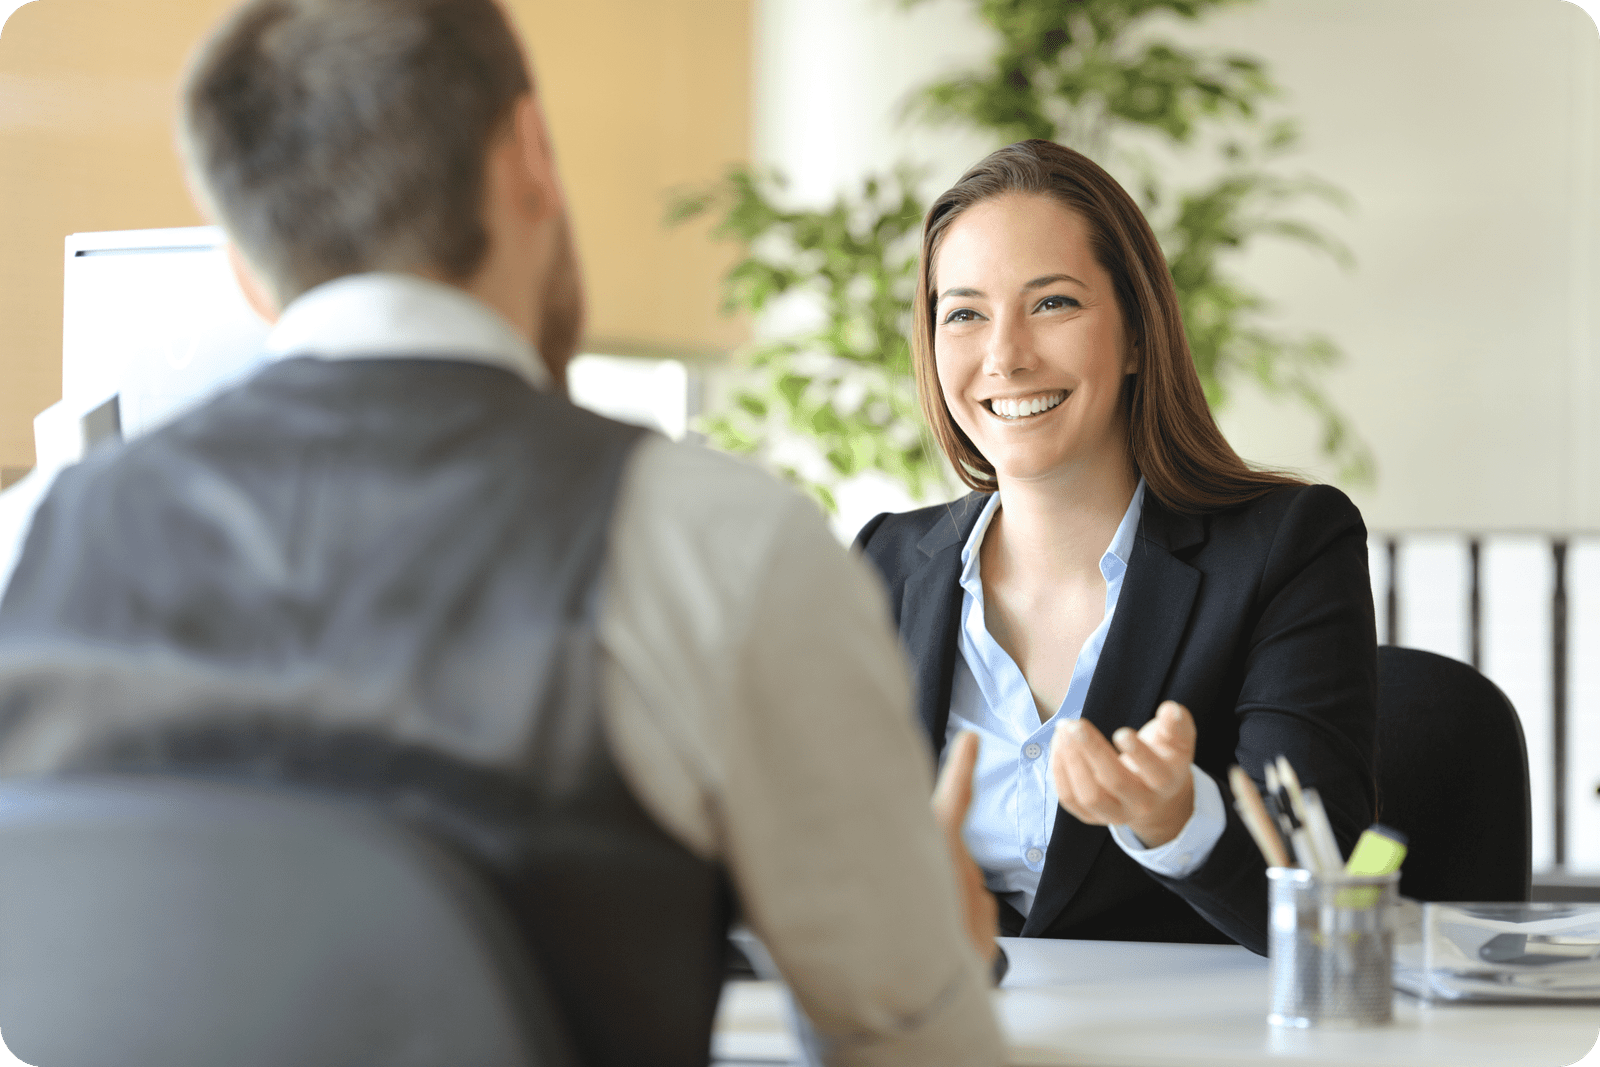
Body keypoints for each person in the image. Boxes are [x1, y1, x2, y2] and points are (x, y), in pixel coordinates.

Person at [0, 1, 1005, 1063]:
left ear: (247, 266)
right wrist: (933, 961)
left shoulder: (30, 540)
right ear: (528, 154)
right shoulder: (716, 541)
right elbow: (912, 1048)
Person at [856, 140, 1378, 955]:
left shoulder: (1289, 548)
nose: (1005, 355)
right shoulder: (884, 561)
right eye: (963, 312)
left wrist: (1178, 823)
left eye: (1053, 303)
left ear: (1137, 335)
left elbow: (1330, 910)